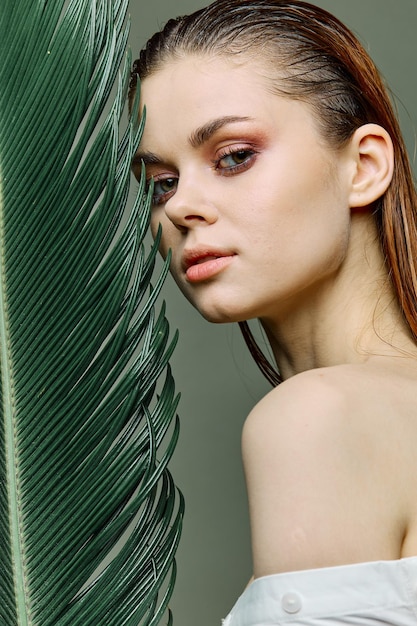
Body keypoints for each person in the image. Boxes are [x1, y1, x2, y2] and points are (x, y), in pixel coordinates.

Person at [129, 1, 417, 623]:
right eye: (161, 181)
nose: (182, 208)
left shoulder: (319, 418)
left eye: (233, 156)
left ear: (363, 167)